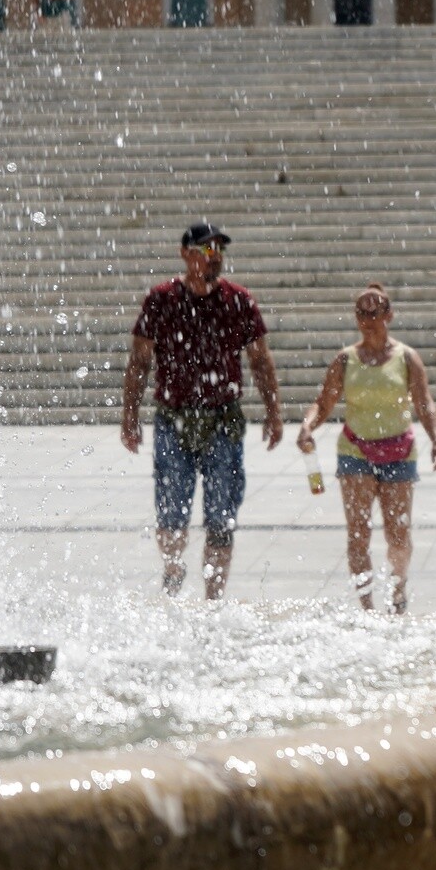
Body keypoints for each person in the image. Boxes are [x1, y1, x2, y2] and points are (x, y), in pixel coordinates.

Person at [119, 221, 284, 599]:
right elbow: (139, 362)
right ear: (185, 254)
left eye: (219, 251)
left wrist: (274, 413)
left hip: (222, 420)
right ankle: (174, 575)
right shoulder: (162, 299)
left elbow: (261, 361)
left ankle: (213, 599)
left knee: (221, 517)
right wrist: (129, 417)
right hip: (172, 420)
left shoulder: (238, 299)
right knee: (171, 513)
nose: (215, 258)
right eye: (207, 250)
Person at [297, 284, 436, 613]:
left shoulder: (406, 358)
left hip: (399, 454)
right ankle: (366, 606)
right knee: (358, 533)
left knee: (398, 533)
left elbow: (424, 402)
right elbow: (323, 404)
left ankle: (398, 589)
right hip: (355, 453)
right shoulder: (345, 360)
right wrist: (308, 425)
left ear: (389, 315)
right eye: (361, 313)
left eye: (374, 312)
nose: (367, 319)